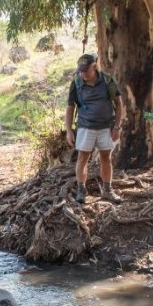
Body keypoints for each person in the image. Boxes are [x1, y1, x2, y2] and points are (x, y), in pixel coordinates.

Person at [64, 53, 124, 204]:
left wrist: (117, 127)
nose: (83, 73)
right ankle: (81, 190)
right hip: (85, 127)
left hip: (105, 127)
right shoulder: (76, 84)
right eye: (81, 70)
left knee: (106, 158)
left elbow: (119, 104)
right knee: (82, 158)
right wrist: (69, 130)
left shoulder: (107, 81)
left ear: (94, 67)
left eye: (86, 70)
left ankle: (108, 190)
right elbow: (70, 107)